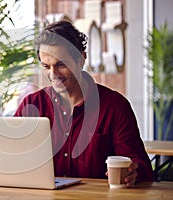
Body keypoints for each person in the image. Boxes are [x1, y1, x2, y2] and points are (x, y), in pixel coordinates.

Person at [14, 20, 153, 187]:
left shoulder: (115, 106)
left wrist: (134, 172)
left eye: (61, 64)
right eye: (46, 66)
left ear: (81, 59)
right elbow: (11, 154)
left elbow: (143, 168)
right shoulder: (32, 104)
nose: (53, 74)